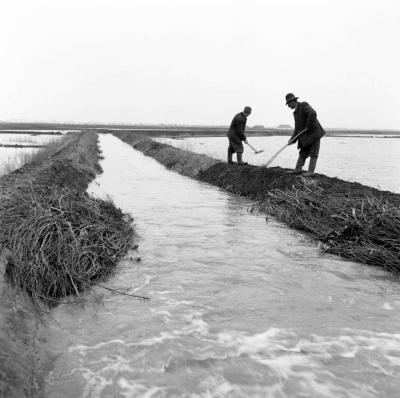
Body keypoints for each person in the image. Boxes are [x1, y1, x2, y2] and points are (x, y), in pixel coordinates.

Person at [285, 93, 325, 177]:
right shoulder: (295, 113)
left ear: (292, 101)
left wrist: (308, 126)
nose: (288, 106)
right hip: (306, 136)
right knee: (303, 152)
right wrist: (292, 140)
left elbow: (312, 113)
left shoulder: (303, 105)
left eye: (288, 104)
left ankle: (311, 172)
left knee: (314, 153)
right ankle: (297, 170)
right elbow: (297, 129)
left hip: (314, 134)